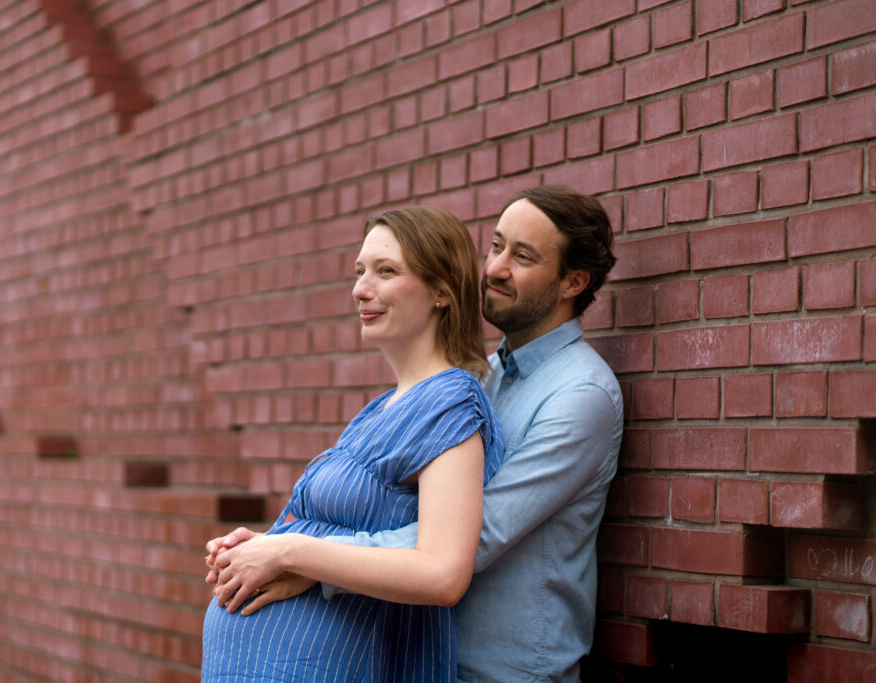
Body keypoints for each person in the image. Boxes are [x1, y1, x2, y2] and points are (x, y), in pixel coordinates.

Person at [208, 186, 623, 682]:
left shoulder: (580, 395)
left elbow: (476, 535)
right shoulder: (481, 378)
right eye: (496, 246)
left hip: (502, 671)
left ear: (573, 281)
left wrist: (304, 559)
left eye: (523, 256)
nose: (493, 268)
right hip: (431, 654)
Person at [200, 206, 504, 681]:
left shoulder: (450, 401)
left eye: (386, 271)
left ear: (443, 292)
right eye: (360, 271)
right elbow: (342, 534)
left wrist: (289, 552)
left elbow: (442, 573)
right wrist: (259, 548)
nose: (361, 289)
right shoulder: (380, 409)